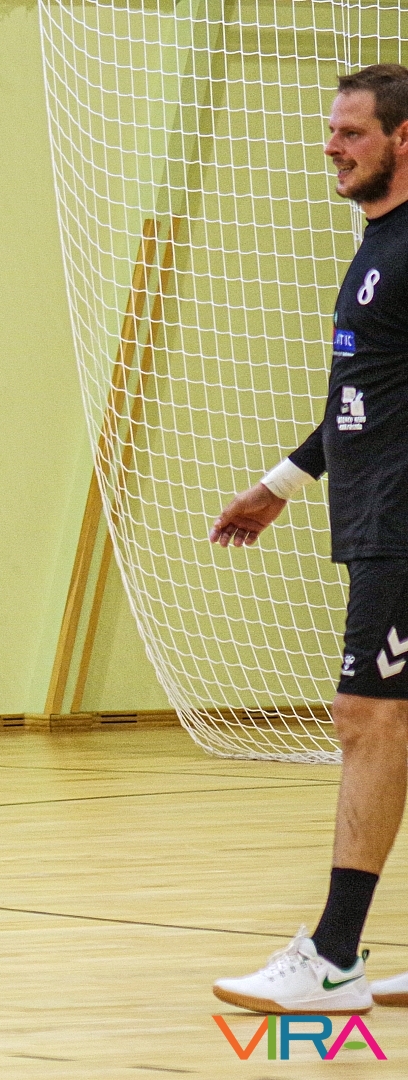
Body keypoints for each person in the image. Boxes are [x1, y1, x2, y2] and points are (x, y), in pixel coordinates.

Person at [211, 64, 408, 1013]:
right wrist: (280, 485)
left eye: (353, 132)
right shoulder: (380, 246)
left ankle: (333, 959)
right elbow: (361, 400)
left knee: (367, 716)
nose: (332, 146)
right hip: (374, 514)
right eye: (333, 130)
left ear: (403, 139)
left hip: (402, 526)